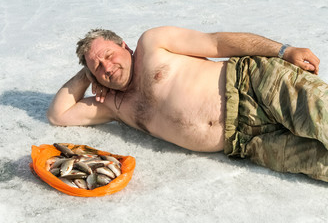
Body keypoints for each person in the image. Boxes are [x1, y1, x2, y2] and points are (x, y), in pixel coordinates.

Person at [47, 26, 328, 182]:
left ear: (124, 45)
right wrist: (84, 73)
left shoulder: (153, 43)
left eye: (108, 54)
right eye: (98, 67)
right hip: (245, 142)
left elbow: (217, 43)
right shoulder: (112, 106)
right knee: (322, 166)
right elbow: (59, 114)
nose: (107, 67)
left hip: (253, 85)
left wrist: (284, 50)